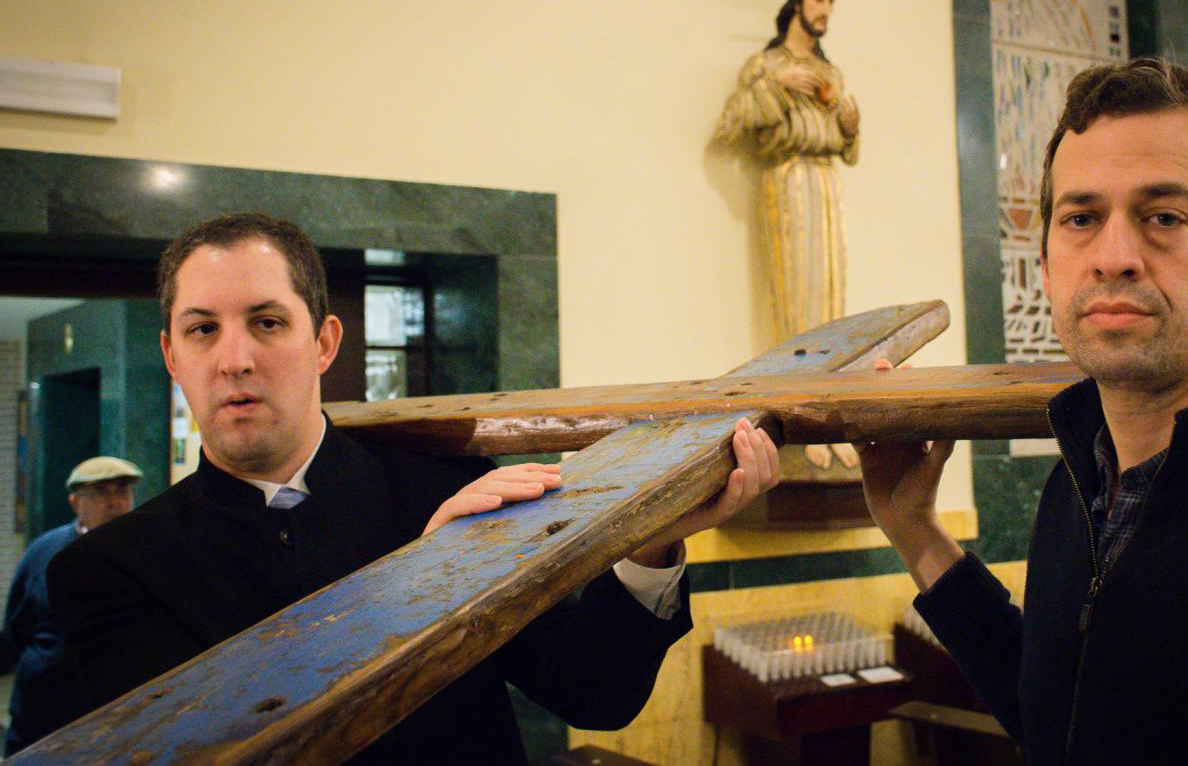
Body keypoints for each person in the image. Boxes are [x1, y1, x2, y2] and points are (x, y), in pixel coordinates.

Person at [46, 213, 779, 762]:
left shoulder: (445, 483)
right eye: (203, 330)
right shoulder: (107, 571)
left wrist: (651, 540)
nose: (234, 357)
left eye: (266, 322)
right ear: (172, 355)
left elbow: (593, 693)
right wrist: (424, 584)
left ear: (324, 342)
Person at [860, 58, 1188, 763]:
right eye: (1081, 217)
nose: (1113, 255)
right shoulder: (1079, 490)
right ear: (1048, 265)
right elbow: (1059, 716)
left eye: (1164, 216)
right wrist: (915, 530)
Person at [715, 0, 859, 471]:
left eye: (832, 3)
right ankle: (800, 420)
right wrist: (778, 84)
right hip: (788, 178)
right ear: (796, 2)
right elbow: (732, 125)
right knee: (796, 296)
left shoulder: (830, 72)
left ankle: (828, 414)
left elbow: (848, 141)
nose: (825, 11)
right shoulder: (766, 65)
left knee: (831, 298)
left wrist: (846, 115)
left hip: (825, 182)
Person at [2, 456, 142, 754]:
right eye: (100, 493)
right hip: (44, 710)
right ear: (75, 502)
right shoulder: (46, 551)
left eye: (122, 491)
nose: (114, 503)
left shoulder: (148, 551)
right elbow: (17, 624)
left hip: (120, 714)